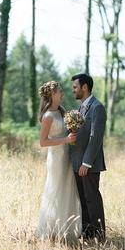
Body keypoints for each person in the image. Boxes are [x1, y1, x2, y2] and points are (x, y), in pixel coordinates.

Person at [36, 81, 82, 240]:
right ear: (52, 94)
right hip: (56, 159)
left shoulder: (61, 112)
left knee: (67, 189)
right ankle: (50, 230)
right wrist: (65, 140)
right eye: (59, 91)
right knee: (55, 190)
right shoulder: (48, 116)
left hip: (66, 156)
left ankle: (66, 229)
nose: (62, 93)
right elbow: (43, 142)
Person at [69, 73, 107, 241]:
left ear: (85, 87)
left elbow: (95, 137)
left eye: (75, 87)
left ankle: (99, 234)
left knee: (92, 198)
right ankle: (87, 232)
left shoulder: (97, 107)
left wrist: (86, 163)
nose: (74, 91)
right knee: (83, 199)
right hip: (77, 162)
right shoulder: (81, 108)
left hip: (88, 164)